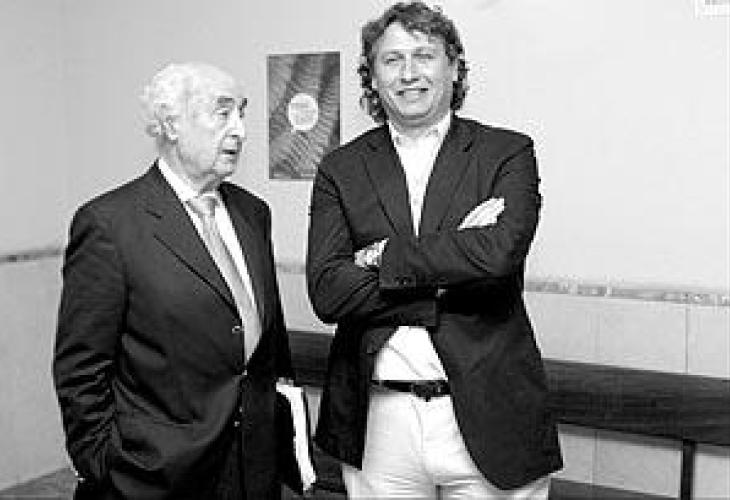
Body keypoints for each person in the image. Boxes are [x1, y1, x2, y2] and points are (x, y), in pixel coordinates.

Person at [306, 2, 563, 498]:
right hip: (379, 426)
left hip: (491, 420)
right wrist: (451, 267)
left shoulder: (506, 153)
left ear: (454, 68)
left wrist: (381, 257)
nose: (409, 73)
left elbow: (498, 256)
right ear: (372, 77)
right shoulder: (341, 168)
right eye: (391, 60)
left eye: (424, 56)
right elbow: (329, 293)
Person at [53, 62, 294, 499]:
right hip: (154, 475)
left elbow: (269, 346)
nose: (240, 130)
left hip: (253, 467)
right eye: (222, 113)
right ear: (170, 124)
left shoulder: (253, 214)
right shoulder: (109, 224)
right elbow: (81, 369)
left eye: (242, 113)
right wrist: (104, 463)